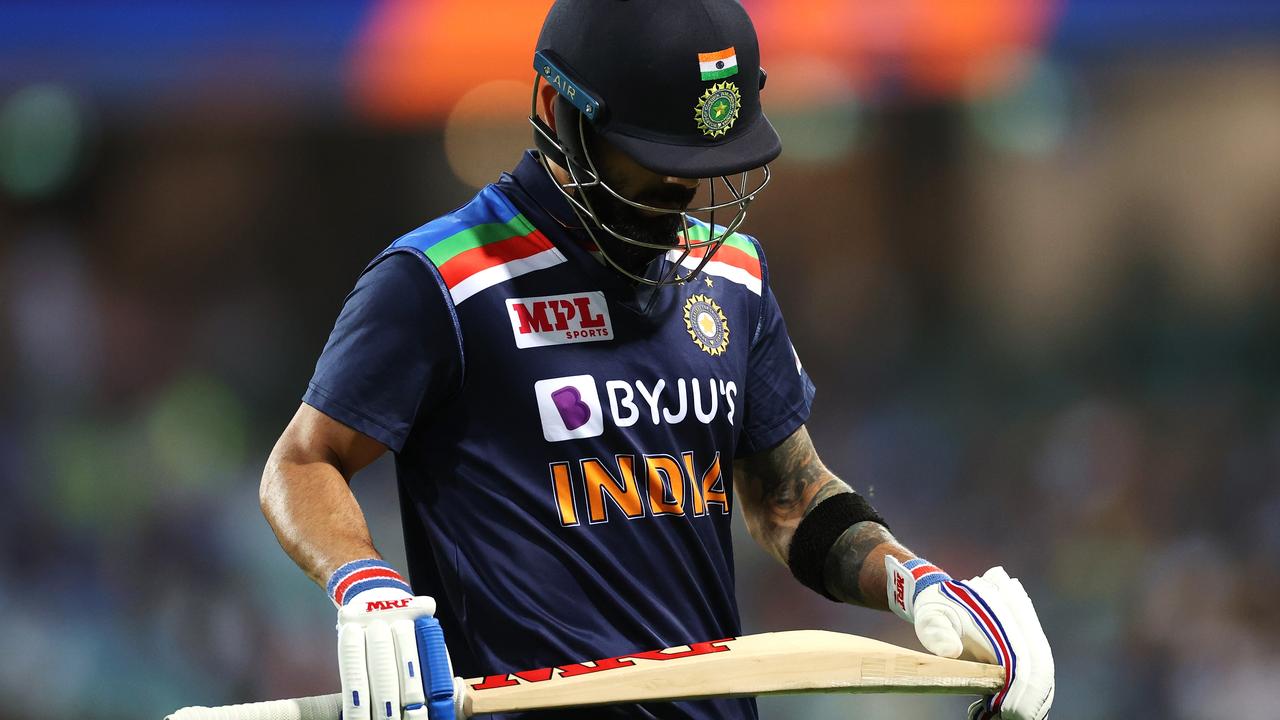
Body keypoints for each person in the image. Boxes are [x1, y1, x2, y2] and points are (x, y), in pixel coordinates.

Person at [259, 1, 1055, 719]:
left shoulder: (735, 277)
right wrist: (366, 586)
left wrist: (917, 586)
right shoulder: (444, 279)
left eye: (705, 165)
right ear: (554, 110)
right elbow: (301, 461)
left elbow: (788, 500)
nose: (684, 190)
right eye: (654, 156)